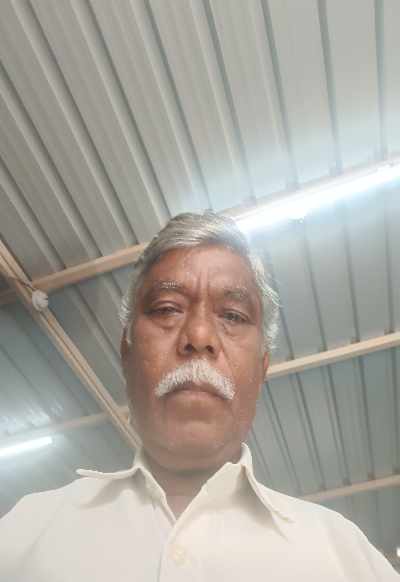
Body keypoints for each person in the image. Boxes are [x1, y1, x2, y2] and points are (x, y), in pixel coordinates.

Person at [0, 212, 398, 581]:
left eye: (233, 316)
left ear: (262, 367)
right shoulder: (26, 535)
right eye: (166, 309)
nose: (199, 337)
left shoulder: (343, 557)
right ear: (127, 352)